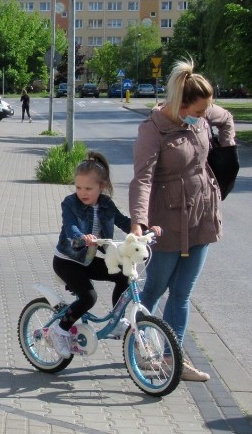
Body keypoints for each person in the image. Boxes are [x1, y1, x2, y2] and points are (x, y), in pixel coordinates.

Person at [130, 58, 235, 382]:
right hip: (167, 220)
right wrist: (138, 222)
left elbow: (226, 119)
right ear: (182, 103)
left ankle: (171, 358)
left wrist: (227, 152)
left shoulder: (202, 116)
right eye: (200, 111)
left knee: (182, 294)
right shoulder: (154, 129)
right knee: (153, 291)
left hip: (202, 216)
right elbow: (142, 179)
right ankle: (140, 349)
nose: (204, 117)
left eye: (206, 111)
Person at [47, 152, 158, 357]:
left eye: (88, 188)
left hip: (87, 260)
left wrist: (144, 229)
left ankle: (117, 321)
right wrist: (81, 237)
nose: (82, 192)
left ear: (102, 187)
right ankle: (59, 330)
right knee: (89, 297)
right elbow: (70, 226)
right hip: (68, 261)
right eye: (78, 187)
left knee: (123, 275)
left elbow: (124, 222)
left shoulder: (107, 204)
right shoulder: (70, 203)